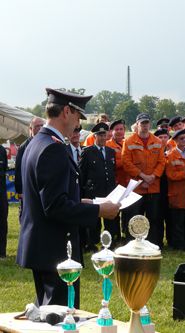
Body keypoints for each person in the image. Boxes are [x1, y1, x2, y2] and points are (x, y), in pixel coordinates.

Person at [16, 88, 120, 307]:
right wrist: (99, 210)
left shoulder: (37, 142)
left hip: (43, 247)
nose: (77, 124)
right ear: (66, 112)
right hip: (56, 250)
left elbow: (48, 197)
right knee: (61, 318)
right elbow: (55, 207)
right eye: (77, 116)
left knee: (47, 316)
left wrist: (82, 203)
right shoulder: (54, 148)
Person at [122, 113, 165, 246]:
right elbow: (126, 162)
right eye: (142, 123)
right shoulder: (128, 142)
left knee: (154, 218)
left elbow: (162, 162)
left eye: (146, 123)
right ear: (137, 125)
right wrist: (143, 176)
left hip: (153, 185)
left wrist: (152, 176)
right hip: (137, 187)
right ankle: (134, 245)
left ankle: (154, 244)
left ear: (149, 124)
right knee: (135, 218)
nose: (145, 126)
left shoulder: (157, 142)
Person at [79, 122, 119, 250]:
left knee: (110, 220)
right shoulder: (88, 152)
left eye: (104, 135)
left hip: (109, 191)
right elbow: (82, 174)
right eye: (100, 135)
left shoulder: (111, 152)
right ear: (95, 136)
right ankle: (91, 243)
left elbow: (112, 171)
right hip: (94, 192)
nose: (102, 138)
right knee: (94, 220)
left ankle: (109, 243)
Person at [15, 117, 45, 197]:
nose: (40, 128)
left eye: (42, 125)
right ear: (31, 129)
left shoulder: (49, 142)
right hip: (29, 190)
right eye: (37, 126)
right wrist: (20, 191)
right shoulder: (24, 147)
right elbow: (19, 169)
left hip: (44, 188)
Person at [154, 128, 171, 248]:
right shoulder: (154, 151)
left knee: (170, 215)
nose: (163, 139)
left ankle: (171, 240)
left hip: (170, 187)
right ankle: (157, 241)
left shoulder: (173, 151)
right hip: (158, 186)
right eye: (160, 137)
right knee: (157, 215)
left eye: (165, 137)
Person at [0, 144, 8, 258]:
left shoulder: (1, 150)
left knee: (2, 221)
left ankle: (2, 252)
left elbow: (4, 168)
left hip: (1, 193)